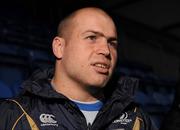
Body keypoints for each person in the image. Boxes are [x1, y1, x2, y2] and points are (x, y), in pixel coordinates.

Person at [0, 7, 157, 130]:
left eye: (112, 43)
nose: (106, 50)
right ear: (59, 47)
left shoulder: (137, 118)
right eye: (92, 38)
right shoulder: (14, 115)